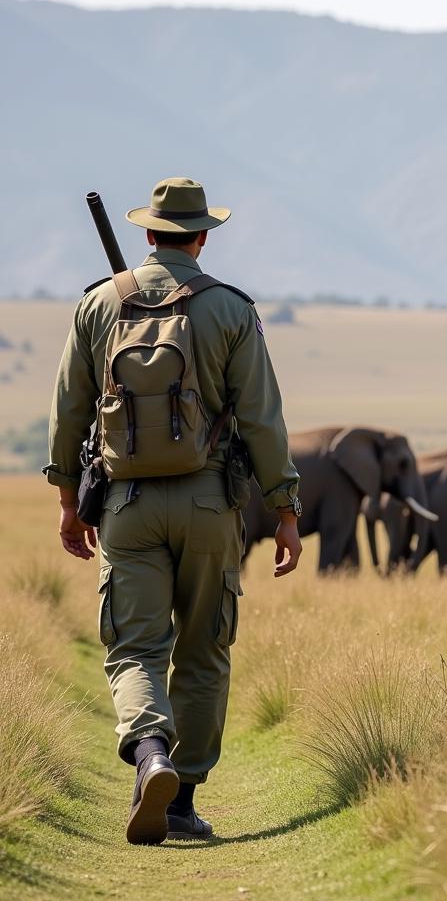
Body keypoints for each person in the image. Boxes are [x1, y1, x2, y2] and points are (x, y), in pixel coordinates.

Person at [45, 177, 302, 845]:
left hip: (124, 504)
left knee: (135, 647)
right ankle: (181, 799)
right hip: (210, 503)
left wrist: (70, 502)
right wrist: (285, 508)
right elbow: (263, 419)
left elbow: (71, 409)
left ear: (148, 232)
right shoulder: (229, 308)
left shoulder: (99, 303)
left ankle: (149, 752)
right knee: (203, 650)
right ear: (204, 235)